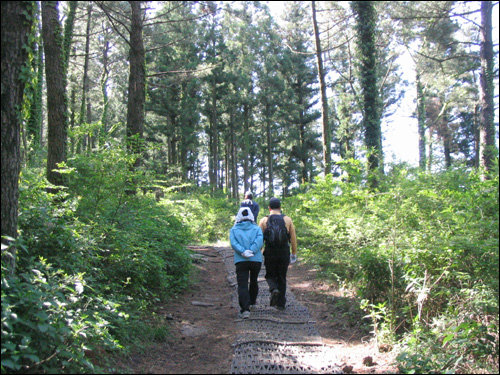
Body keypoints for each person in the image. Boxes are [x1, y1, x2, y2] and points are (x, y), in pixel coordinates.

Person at [258, 197, 297, 311]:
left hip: (270, 252)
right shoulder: (288, 220)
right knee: (282, 276)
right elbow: (293, 238)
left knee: (270, 275)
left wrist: (260, 251)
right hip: (284, 251)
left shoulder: (264, 220)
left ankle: (273, 288)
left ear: (269, 208)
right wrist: (293, 252)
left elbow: (260, 238)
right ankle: (281, 304)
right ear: (280, 207)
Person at [230, 206, 264, 319]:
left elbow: (233, 243)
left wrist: (243, 252)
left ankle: (245, 309)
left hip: (241, 260)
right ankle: (252, 301)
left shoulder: (234, 229)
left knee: (242, 284)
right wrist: (252, 251)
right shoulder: (257, 228)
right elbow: (259, 241)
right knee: (254, 280)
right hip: (256, 259)